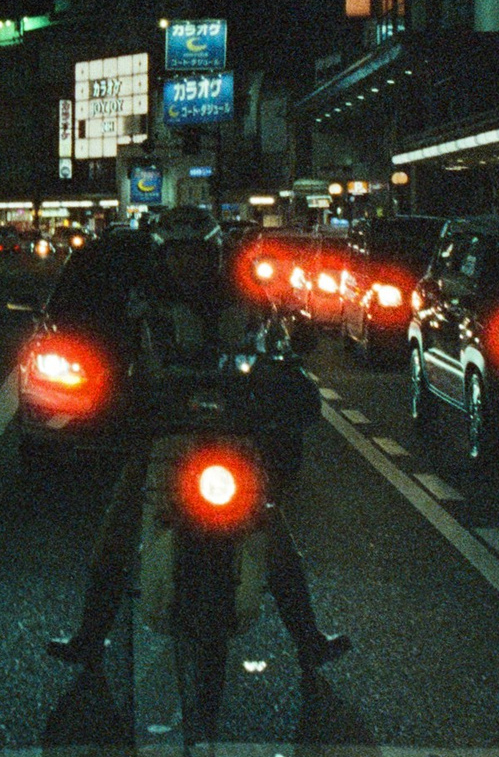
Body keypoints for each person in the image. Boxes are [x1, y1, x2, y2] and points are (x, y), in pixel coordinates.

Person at [46, 235, 349, 673]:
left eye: (197, 253)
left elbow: (276, 346)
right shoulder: (142, 301)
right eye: (178, 252)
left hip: (232, 431)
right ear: (164, 257)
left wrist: (283, 382)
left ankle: (309, 639)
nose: (188, 262)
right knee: (120, 523)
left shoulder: (244, 296)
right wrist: (114, 394)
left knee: (271, 529)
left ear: (213, 256)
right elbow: (115, 355)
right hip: (164, 430)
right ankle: (88, 638)